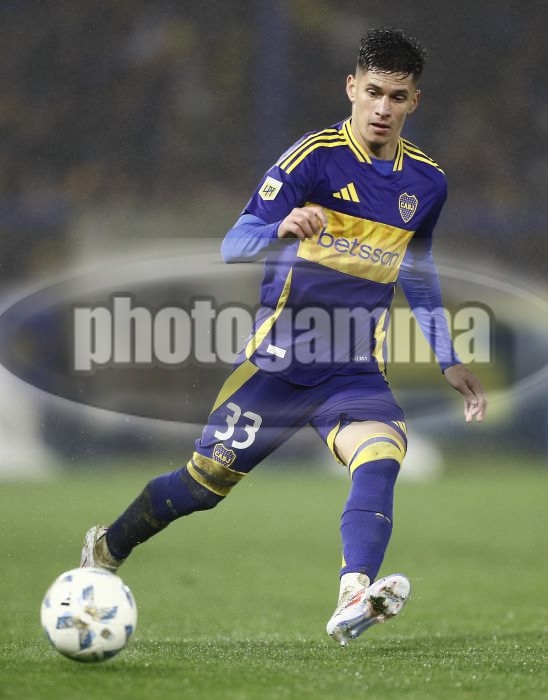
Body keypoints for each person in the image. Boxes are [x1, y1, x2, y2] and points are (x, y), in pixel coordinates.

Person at [81, 27, 487, 645]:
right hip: (277, 365)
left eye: (396, 96)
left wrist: (447, 358)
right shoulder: (312, 159)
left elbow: (418, 270)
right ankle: (108, 546)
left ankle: (354, 594)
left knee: (382, 455)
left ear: (414, 102)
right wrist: (282, 228)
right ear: (351, 88)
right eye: (373, 92)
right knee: (199, 488)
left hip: (352, 369)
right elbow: (233, 244)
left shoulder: (427, 183)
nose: (382, 108)